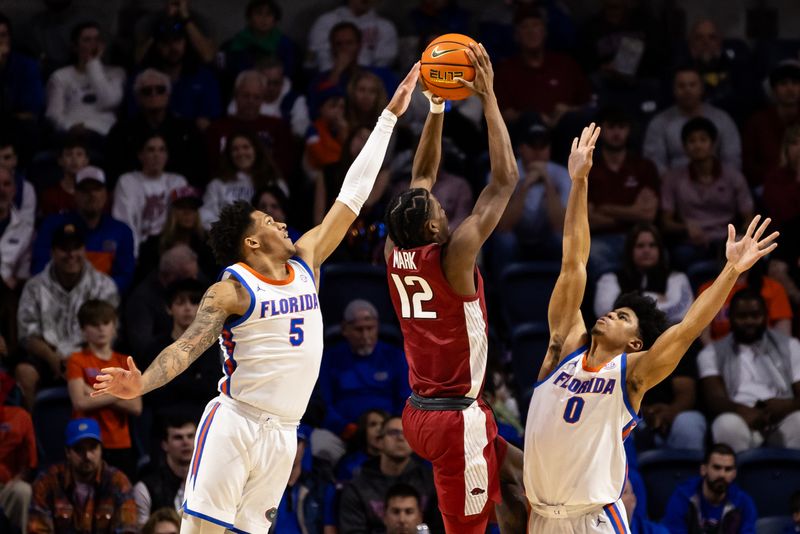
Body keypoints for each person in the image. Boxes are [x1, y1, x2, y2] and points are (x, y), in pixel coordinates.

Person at [89, 64, 420, 533]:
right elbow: (186, 348)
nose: (283, 224)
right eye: (269, 222)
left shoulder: (307, 259)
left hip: (285, 432)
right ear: (251, 242)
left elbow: (352, 194)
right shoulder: (232, 290)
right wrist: (139, 384)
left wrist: (388, 117)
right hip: (236, 423)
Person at [523, 118, 778, 533]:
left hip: (593, 519)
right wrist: (580, 182)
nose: (609, 315)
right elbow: (574, 263)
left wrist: (731, 271)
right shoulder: (562, 348)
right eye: (615, 310)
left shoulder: (632, 374)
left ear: (636, 342)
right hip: (541, 516)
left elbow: (689, 327)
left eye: (623, 317)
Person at [384, 43, 525, 533]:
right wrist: (487, 98)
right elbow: (505, 181)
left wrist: (437, 105)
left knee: (526, 481)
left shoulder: (394, 250)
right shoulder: (456, 255)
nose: (446, 209)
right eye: (442, 211)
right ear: (432, 231)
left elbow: (421, 175)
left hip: (421, 411)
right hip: (453, 421)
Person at [15, 223, 118, 411]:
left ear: (84, 250)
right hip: (47, 355)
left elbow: (111, 331)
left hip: (90, 353)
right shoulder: (34, 286)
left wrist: (77, 361)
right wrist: (52, 358)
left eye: (76, 248)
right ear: (53, 252)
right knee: (25, 373)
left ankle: (100, 436)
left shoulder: (103, 285)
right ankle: (30, 436)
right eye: (64, 249)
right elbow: (26, 335)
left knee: (112, 372)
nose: (71, 255)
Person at [698, 289, 800, 452]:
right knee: (726, 424)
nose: (749, 322)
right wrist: (742, 411)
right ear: (730, 317)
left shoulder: (790, 346)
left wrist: (786, 406)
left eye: (755, 315)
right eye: (742, 316)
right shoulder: (711, 353)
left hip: (782, 413)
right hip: (740, 415)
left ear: (766, 316)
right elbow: (714, 399)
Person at [660, 117, 754, 270]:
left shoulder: (733, 176)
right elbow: (666, 222)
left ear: (713, 144)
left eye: (703, 140)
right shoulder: (673, 179)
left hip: (728, 241)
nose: (697, 145)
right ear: (684, 147)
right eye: (692, 141)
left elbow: (749, 216)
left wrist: (741, 236)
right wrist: (685, 227)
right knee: (679, 256)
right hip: (693, 244)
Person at [66, 300, 142, 477]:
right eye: (94, 324)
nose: (101, 329)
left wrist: (90, 390)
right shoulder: (76, 360)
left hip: (120, 442)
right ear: (84, 330)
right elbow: (80, 402)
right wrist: (121, 392)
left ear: (114, 327)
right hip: (86, 440)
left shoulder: (125, 361)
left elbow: (136, 407)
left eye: (106, 323)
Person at [33, 166, 136, 293]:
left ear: (106, 194)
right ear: (75, 194)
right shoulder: (53, 225)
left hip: (101, 302)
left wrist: (97, 292)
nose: (92, 195)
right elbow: (39, 267)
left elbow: (125, 276)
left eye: (97, 189)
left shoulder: (122, 231)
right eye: (85, 190)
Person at [28, 418, 137, 534]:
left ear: (101, 449)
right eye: (79, 449)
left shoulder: (118, 482)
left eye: (93, 448)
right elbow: (37, 529)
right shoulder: (47, 482)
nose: (87, 456)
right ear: (67, 452)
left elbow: (128, 528)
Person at [586, 106, 659, 276]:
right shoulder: (588, 168)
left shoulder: (644, 167)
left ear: (629, 130)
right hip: (600, 239)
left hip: (639, 238)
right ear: (601, 130)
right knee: (593, 255)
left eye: (621, 127)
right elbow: (587, 219)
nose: (616, 133)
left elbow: (648, 215)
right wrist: (632, 213)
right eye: (611, 127)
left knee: (656, 253)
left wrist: (604, 208)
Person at [319, 299, 409, 435]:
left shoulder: (395, 356)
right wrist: (345, 428)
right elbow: (323, 402)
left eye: (370, 328)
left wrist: (390, 427)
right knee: (319, 444)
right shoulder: (330, 358)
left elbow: (405, 398)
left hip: (388, 432)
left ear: (377, 326)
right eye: (359, 329)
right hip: (341, 433)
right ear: (344, 329)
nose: (365, 335)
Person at [493, 118, 571, 269]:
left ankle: (563, 290)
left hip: (546, 238)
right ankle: (502, 289)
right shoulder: (501, 174)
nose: (538, 152)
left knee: (562, 239)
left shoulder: (563, 175)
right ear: (520, 148)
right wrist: (525, 186)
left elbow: (561, 225)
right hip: (516, 236)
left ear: (549, 149)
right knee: (505, 240)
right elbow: (503, 226)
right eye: (532, 146)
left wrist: (548, 182)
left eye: (543, 146)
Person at [338, 416, 438, 533]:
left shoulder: (430, 481)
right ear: (379, 441)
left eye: (407, 433)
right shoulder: (357, 487)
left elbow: (442, 528)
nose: (400, 438)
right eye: (393, 433)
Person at [494, 6, 591, 127]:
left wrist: (568, 110)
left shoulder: (566, 65)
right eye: (525, 27)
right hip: (525, 136)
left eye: (536, 25)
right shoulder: (505, 70)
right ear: (516, 35)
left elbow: (588, 105)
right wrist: (535, 117)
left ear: (545, 31)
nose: (531, 31)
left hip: (565, 131)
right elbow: (502, 114)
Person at [105, 69, 205, 185]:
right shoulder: (121, 132)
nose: (154, 94)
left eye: (160, 90)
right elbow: (113, 173)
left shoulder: (188, 130)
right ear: (138, 97)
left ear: (168, 95)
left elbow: (199, 170)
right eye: (147, 91)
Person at [643, 66, 742, 175]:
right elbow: (654, 163)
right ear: (674, 90)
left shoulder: (722, 119)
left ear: (701, 88)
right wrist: (674, 184)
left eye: (692, 85)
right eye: (681, 86)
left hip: (717, 184)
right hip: (673, 185)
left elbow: (732, 159)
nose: (687, 90)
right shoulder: (659, 122)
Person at [594, 224, 694, 326]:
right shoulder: (610, 279)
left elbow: (679, 313)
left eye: (652, 245)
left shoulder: (677, 277)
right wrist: (654, 297)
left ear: (660, 250)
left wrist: (631, 305)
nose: (646, 250)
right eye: (640, 246)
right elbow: (605, 312)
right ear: (630, 250)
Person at [204, 69, 294, 179]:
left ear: (262, 99)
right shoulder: (216, 128)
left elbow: (283, 168)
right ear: (236, 96)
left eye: (256, 97)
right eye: (246, 95)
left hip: (265, 185)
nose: (251, 101)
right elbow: (211, 167)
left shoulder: (278, 127)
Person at [44, 21, 125, 138]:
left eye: (97, 39)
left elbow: (109, 101)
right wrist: (69, 127)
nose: (94, 44)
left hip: (104, 133)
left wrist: (93, 63)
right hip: (72, 133)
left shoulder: (117, 73)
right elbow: (53, 115)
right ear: (75, 47)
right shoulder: (60, 76)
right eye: (87, 40)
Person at [112, 133, 188, 255]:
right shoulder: (127, 181)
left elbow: (184, 221)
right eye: (151, 150)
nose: (156, 155)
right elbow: (124, 222)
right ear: (141, 155)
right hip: (140, 249)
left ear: (167, 155)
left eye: (161, 150)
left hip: (170, 247)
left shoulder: (177, 182)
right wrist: (134, 254)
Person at [124, 244, 200, 356]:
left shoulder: (196, 282)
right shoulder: (142, 299)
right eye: (189, 277)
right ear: (171, 277)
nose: (195, 280)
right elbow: (143, 347)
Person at [662, 444, 757, 533]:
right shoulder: (683, 497)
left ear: (734, 474)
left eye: (728, 469)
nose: (722, 475)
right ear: (703, 470)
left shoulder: (743, 503)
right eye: (716, 468)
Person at [200, 131, 285, 229]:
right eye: (235, 149)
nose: (241, 153)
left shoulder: (273, 182)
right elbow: (206, 216)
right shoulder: (217, 185)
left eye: (246, 147)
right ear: (229, 154)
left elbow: (283, 215)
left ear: (256, 150)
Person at [743, 60, 800, 189]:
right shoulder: (757, 122)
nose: (790, 89)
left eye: (795, 83)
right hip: (767, 184)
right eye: (783, 84)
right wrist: (776, 177)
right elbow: (748, 165)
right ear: (774, 90)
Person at [134, 415, 197, 526]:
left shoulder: (209, 484)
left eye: (190, 436)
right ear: (164, 444)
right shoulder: (145, 488)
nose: (186, 442)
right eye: (178, 437)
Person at [307, 0, 398, 72]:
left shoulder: (385, 27)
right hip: (331, 75)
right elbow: (318, 58)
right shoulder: (326, 21)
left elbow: (383, 63)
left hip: (369, 81)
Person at [0, 370, 36, 534]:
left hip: (6, 488)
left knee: (22, 490)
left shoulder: (20, 417)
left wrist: (16, 479)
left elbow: (29, 464)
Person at [37, 135, 90, 218]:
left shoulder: (95, 195)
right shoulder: (50, 195)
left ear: (86, 161)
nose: (74, 159)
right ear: (60, 161)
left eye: (79, 154)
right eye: (69, 154)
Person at [0, 167, 33, 291]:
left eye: (6, 184)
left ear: (14, 190)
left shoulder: (26, 230)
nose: (1, 190)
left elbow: (22, 275)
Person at [336, 408, 389, 481]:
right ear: (364, 431)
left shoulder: (399, 461)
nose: (379, 429)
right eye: (373, 424)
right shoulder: (349, 464)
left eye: (383, 424)